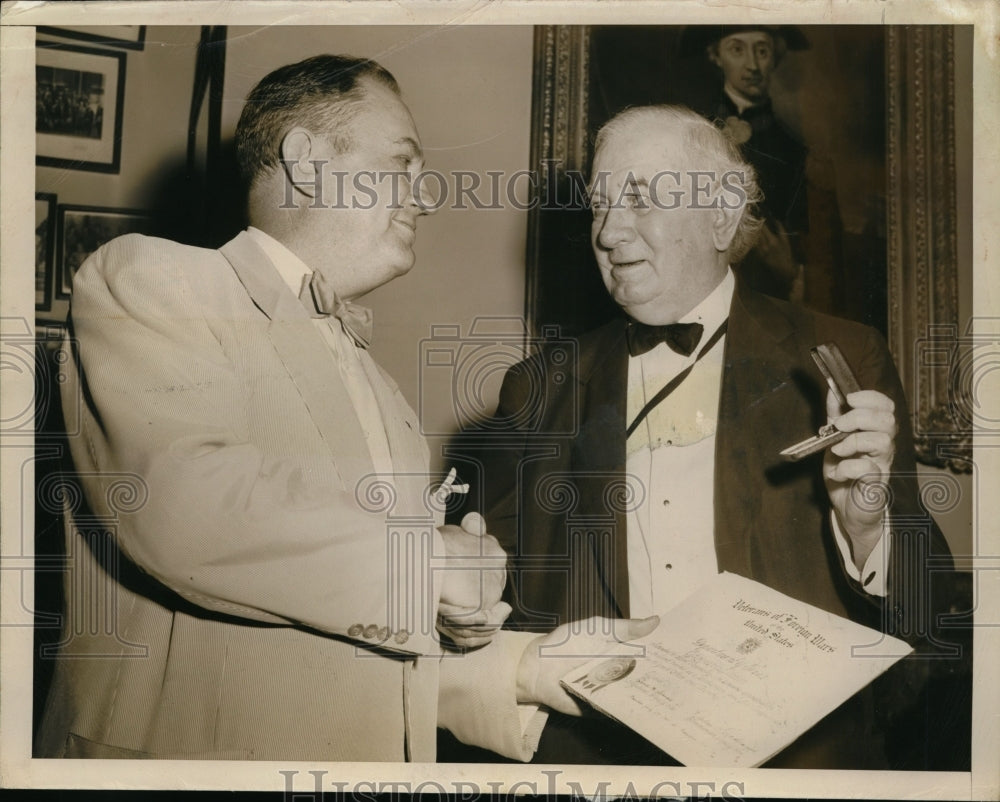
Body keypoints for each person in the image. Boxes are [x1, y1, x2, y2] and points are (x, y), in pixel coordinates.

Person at [35, 54, 654, 762]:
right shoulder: (158, 280)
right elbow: (183, 501)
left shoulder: (383, 393)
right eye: (402, 163)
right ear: (305, 160)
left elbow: (350, 653)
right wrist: (428, 564)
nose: (425, 198)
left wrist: (523, 666)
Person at [451, 105, 954, 768]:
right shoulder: (535, 387)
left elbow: (929, 605)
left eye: (638, 197)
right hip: (597, 766)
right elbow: (485, 606)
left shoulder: (840, 357)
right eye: (599, 204)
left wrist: (867, 528)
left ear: (721, 214)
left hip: (800, 772)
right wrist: (461, 598)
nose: (608, 231)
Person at [683, 25, 810, 302]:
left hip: (768, 296)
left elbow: (807, 245)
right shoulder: (691, 135)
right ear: (715, 56)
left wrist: (789, 271)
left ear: (775, 57)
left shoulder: (794, 151)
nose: (752, 65)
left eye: (762, 51)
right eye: (737, 50)